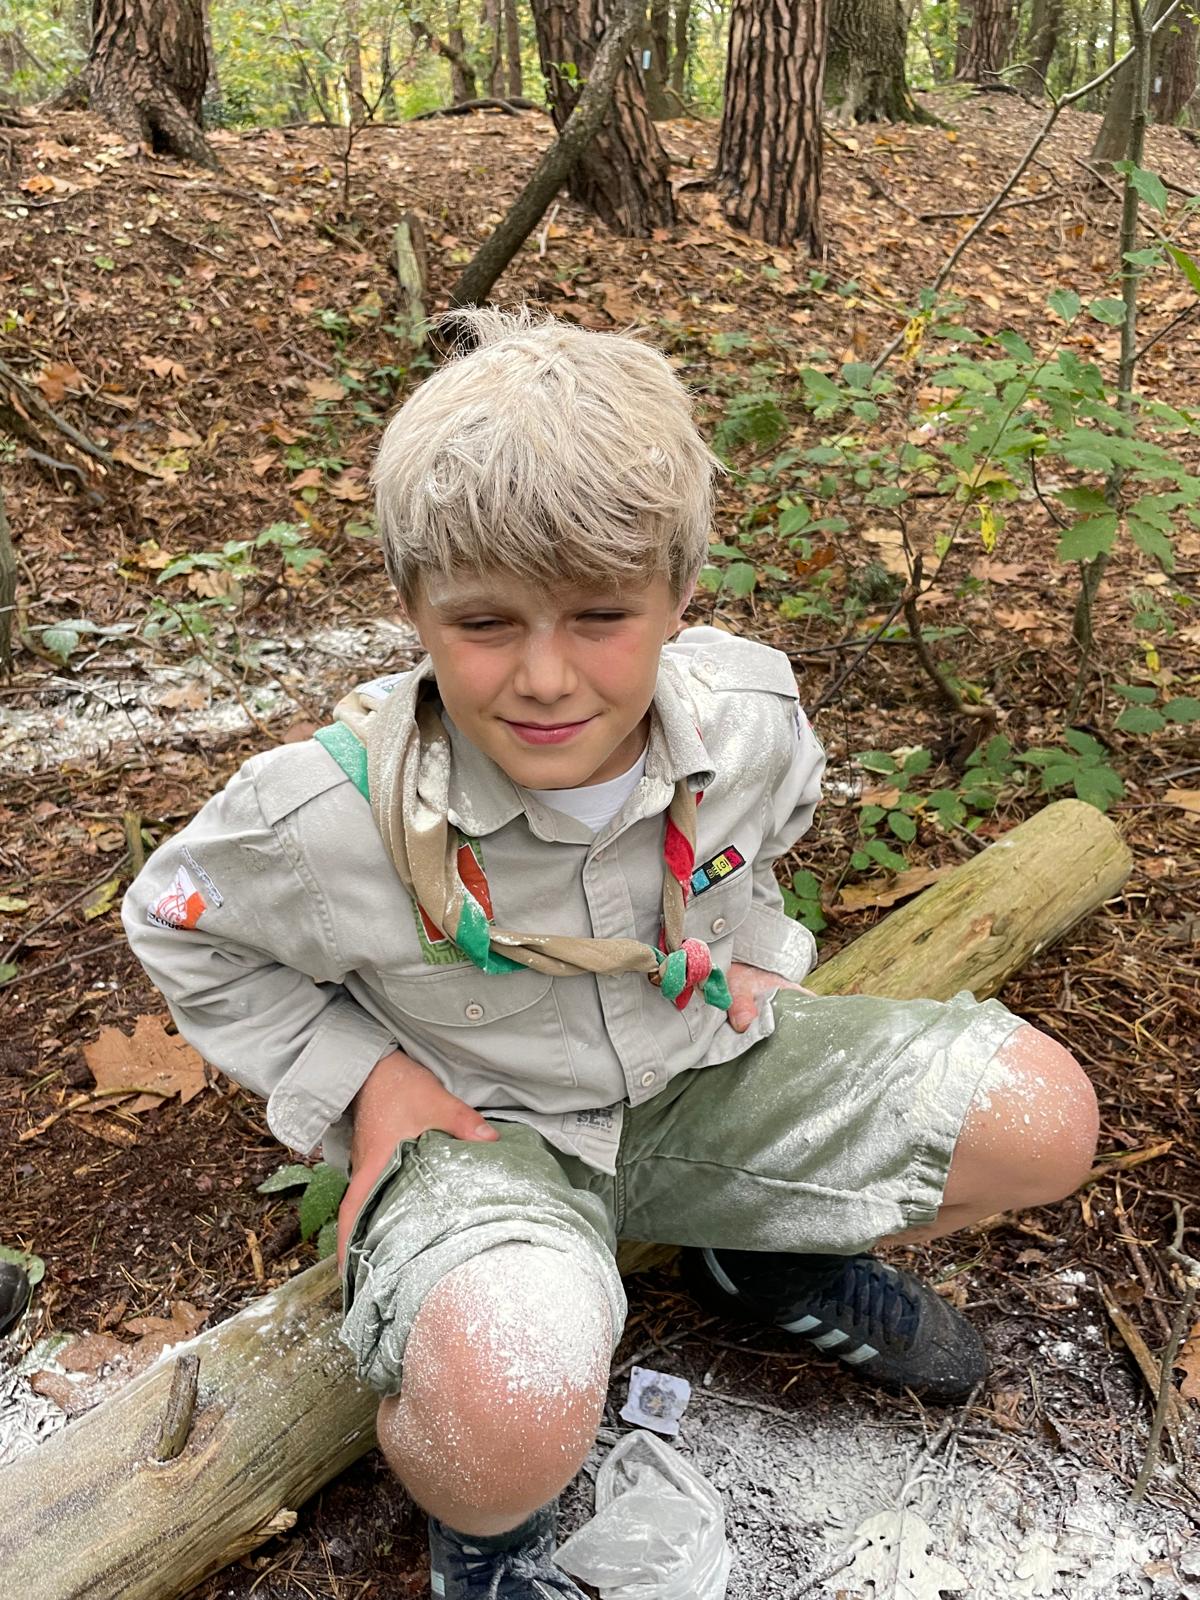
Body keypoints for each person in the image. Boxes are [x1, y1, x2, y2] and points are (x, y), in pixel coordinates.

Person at [123, 308, 1099, 1599]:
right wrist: (367, 1086)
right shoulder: (323, 815)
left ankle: (752, 1247)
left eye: (598, 615)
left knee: (1046, 1120)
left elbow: (776, 817)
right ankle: (489, 1532)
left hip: (697, 1068)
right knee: (511, 1396)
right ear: (410, 603)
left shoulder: (747, 715)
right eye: (483, 622)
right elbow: (173, 924)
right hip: (492, 1127)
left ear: (678, 596)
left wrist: (746, 944)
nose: (543, 676)